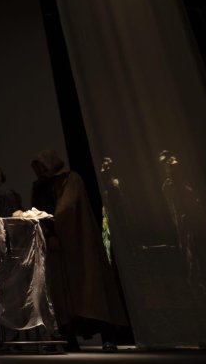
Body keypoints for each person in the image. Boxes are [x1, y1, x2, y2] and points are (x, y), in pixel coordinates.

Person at [30, 150, 128, 352]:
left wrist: (53, 226)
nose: (40, 170)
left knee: (90, 284)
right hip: (54, 246)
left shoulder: (71, 179)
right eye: (37, 167)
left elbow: (69, 206)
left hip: (78, 240)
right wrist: (47, 232)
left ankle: (108, 336)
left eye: (43, 165)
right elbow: (38, 209)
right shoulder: (39, 186)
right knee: (62, 291)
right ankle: (68, 337)